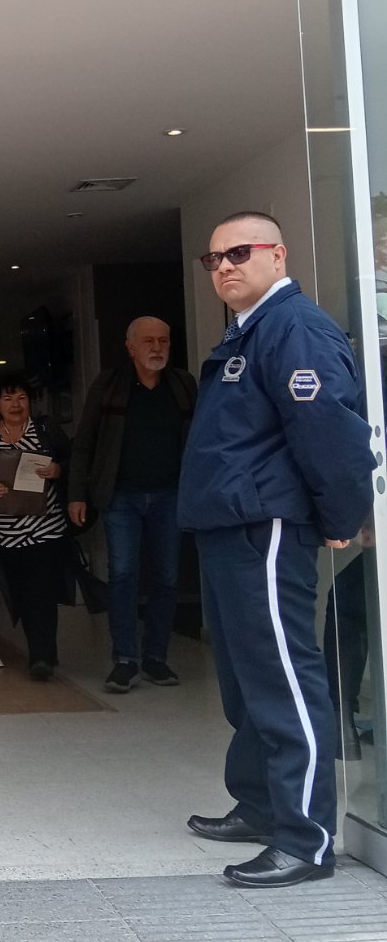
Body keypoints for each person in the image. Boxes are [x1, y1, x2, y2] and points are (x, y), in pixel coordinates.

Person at [179, 211, 375, 888]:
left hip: (264, 530)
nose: (224, 267)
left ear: (278, 255)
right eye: (213, 259)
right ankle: (261, 805)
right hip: (228, 527)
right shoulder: (250, 329)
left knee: (284, 679)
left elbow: (331, 433)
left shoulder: (295, 328)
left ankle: (305, 840)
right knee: (245, 680)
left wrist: (341, 515)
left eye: (238, 252)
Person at [68, 318, 197, 693]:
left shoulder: (183, 385)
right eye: (149, 341)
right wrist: (77, 493)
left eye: (163, 340)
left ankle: (155, 657)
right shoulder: (109, 385)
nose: (157, 347)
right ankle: (125, 660)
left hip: (171, 494)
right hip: (120, 496)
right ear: (130, 347)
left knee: (167, 577)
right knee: (123, 575)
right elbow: (85, 442)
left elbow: (202, 439)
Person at [0, 374, 71, 681]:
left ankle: (42, 656)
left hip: (46, 527)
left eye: (22, 398)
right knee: (23, 594)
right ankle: (42, 650)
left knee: (42, 591)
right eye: (8, 399)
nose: (16, 404)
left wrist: (58, 469)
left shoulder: (45, 431)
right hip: (8, 531)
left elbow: (74, 463)